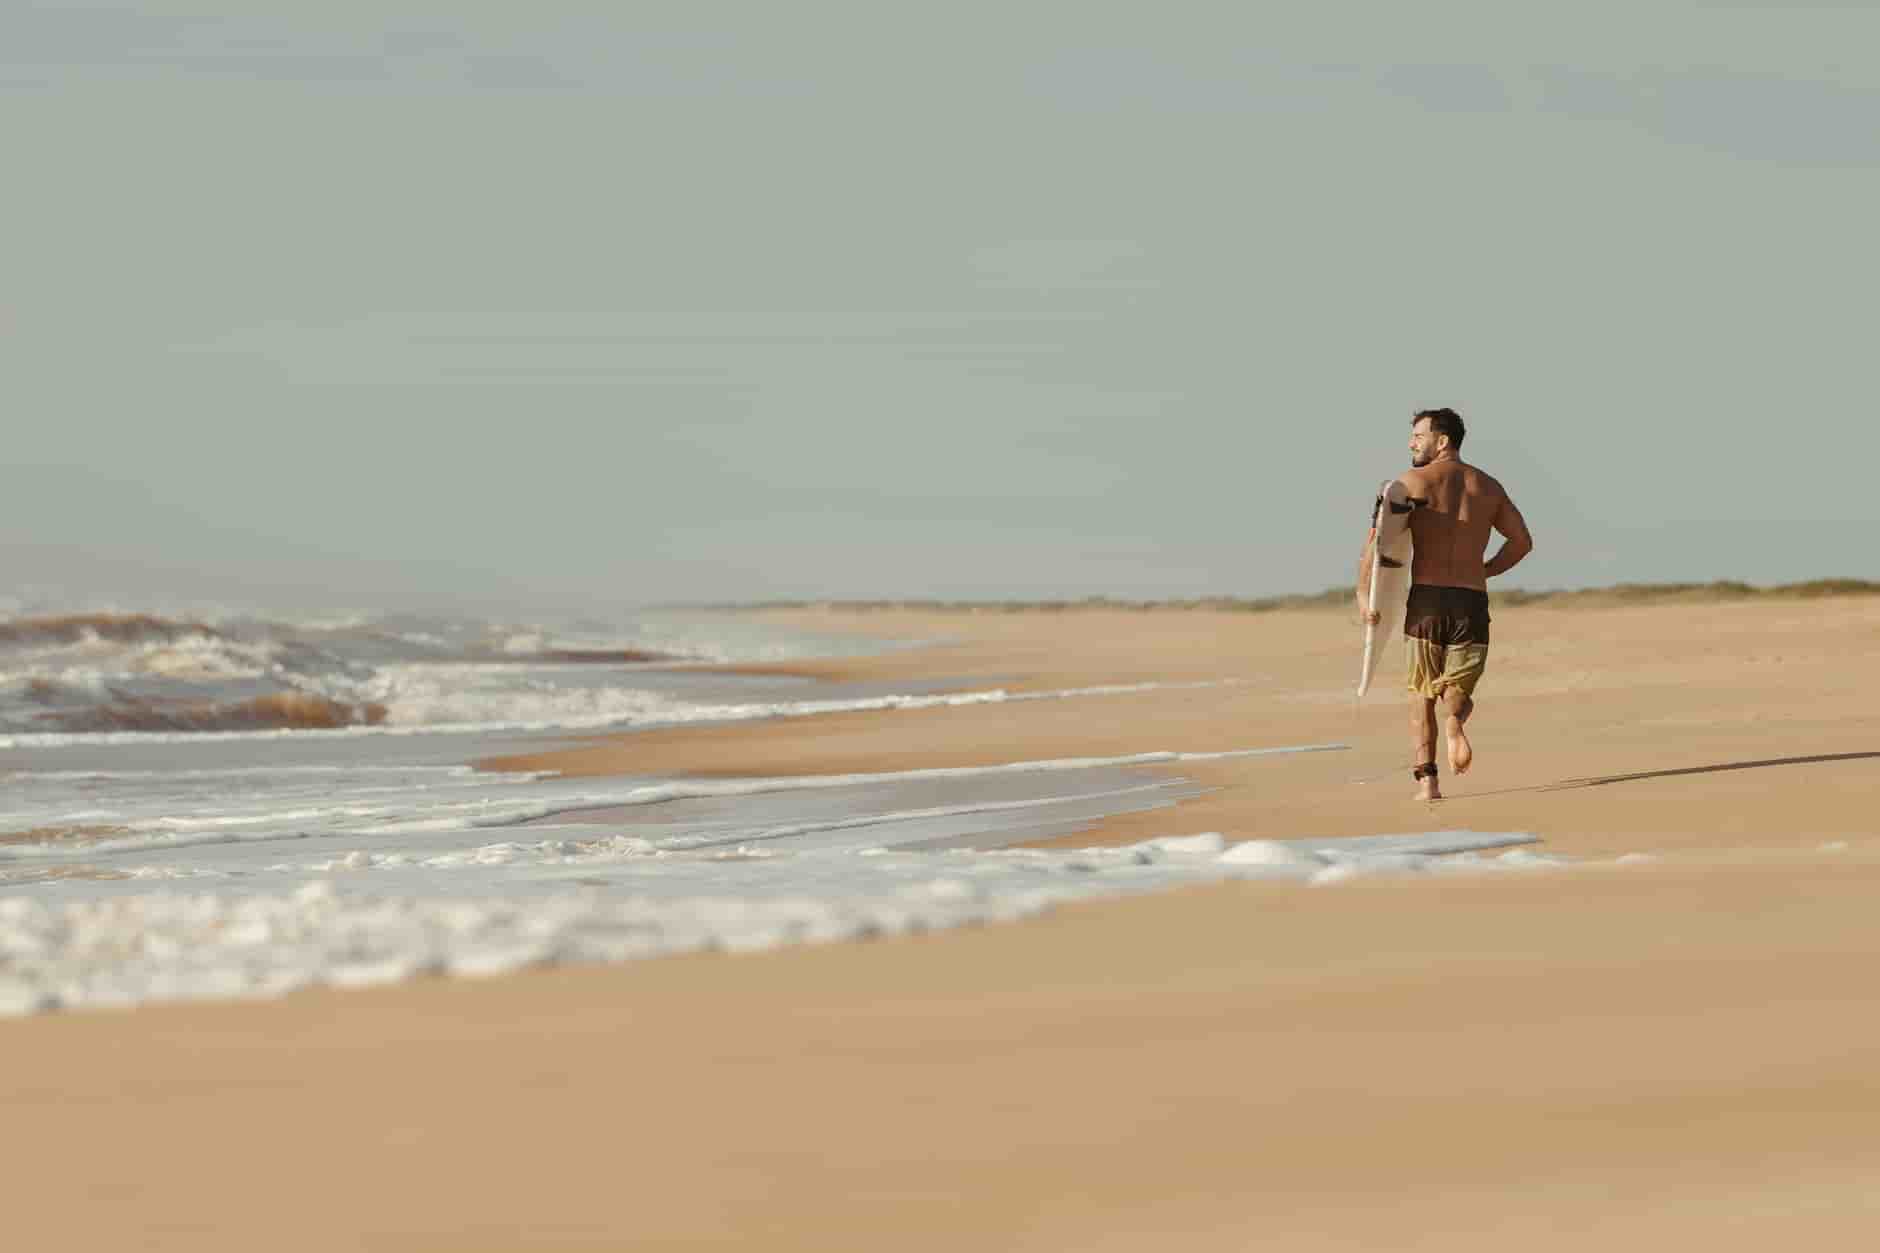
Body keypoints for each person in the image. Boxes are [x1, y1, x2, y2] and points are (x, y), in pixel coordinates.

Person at [1357, 408, 1534, 801]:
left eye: (1418, 436)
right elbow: (1522, 542)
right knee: (1458, 688)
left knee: (1420, 693)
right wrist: (1484, 570)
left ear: (1442, 440)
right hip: (1470, 600)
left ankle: (1428, 783)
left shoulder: (1410, 483)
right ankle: (1454, 719)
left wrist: (1364, 597)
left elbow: (1377, 548)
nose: (1411, 444)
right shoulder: (1488, 486)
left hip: (1427, 602)